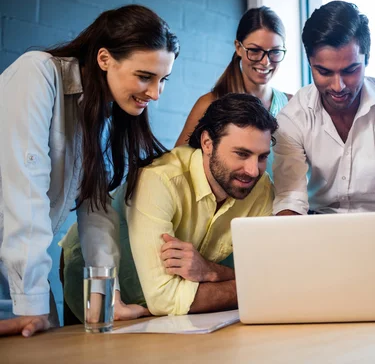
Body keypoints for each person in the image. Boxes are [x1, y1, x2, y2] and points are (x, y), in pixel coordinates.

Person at [0, 4, 179, 337]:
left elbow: (95, 210)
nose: (155, 93)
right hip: (18, 273)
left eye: (163, 79)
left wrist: (106, 296)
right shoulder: (37, 74)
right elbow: (25, 196)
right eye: (145, 76)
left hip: (21, 275)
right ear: (104, 59)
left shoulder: (98, 110)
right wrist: (32, 305)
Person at [63, 93, 277, 318]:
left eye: (262, 157)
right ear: (207, 143)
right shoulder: (160, 179)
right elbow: (165, 299)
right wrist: (249, 288)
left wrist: (211, 271)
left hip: (164, 313)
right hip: (98, 286)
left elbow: (266, 275)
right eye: (241, 154)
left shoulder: (261, 189)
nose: (253, 170)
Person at [272, 1, 375, 268]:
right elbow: (290, 202)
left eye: (350, 70)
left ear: (367, 59)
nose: (338, 86)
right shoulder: (292, 118)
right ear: (310, 63)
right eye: (324, 72)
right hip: (316, 239)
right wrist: (292, 270)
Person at [176, 7, 290, 176]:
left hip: (281, 203)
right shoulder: (209, 104)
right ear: (238, 47)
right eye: (255, 51)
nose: (265, 62)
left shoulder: (293, 105)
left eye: (274, 52)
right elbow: (178, 165)